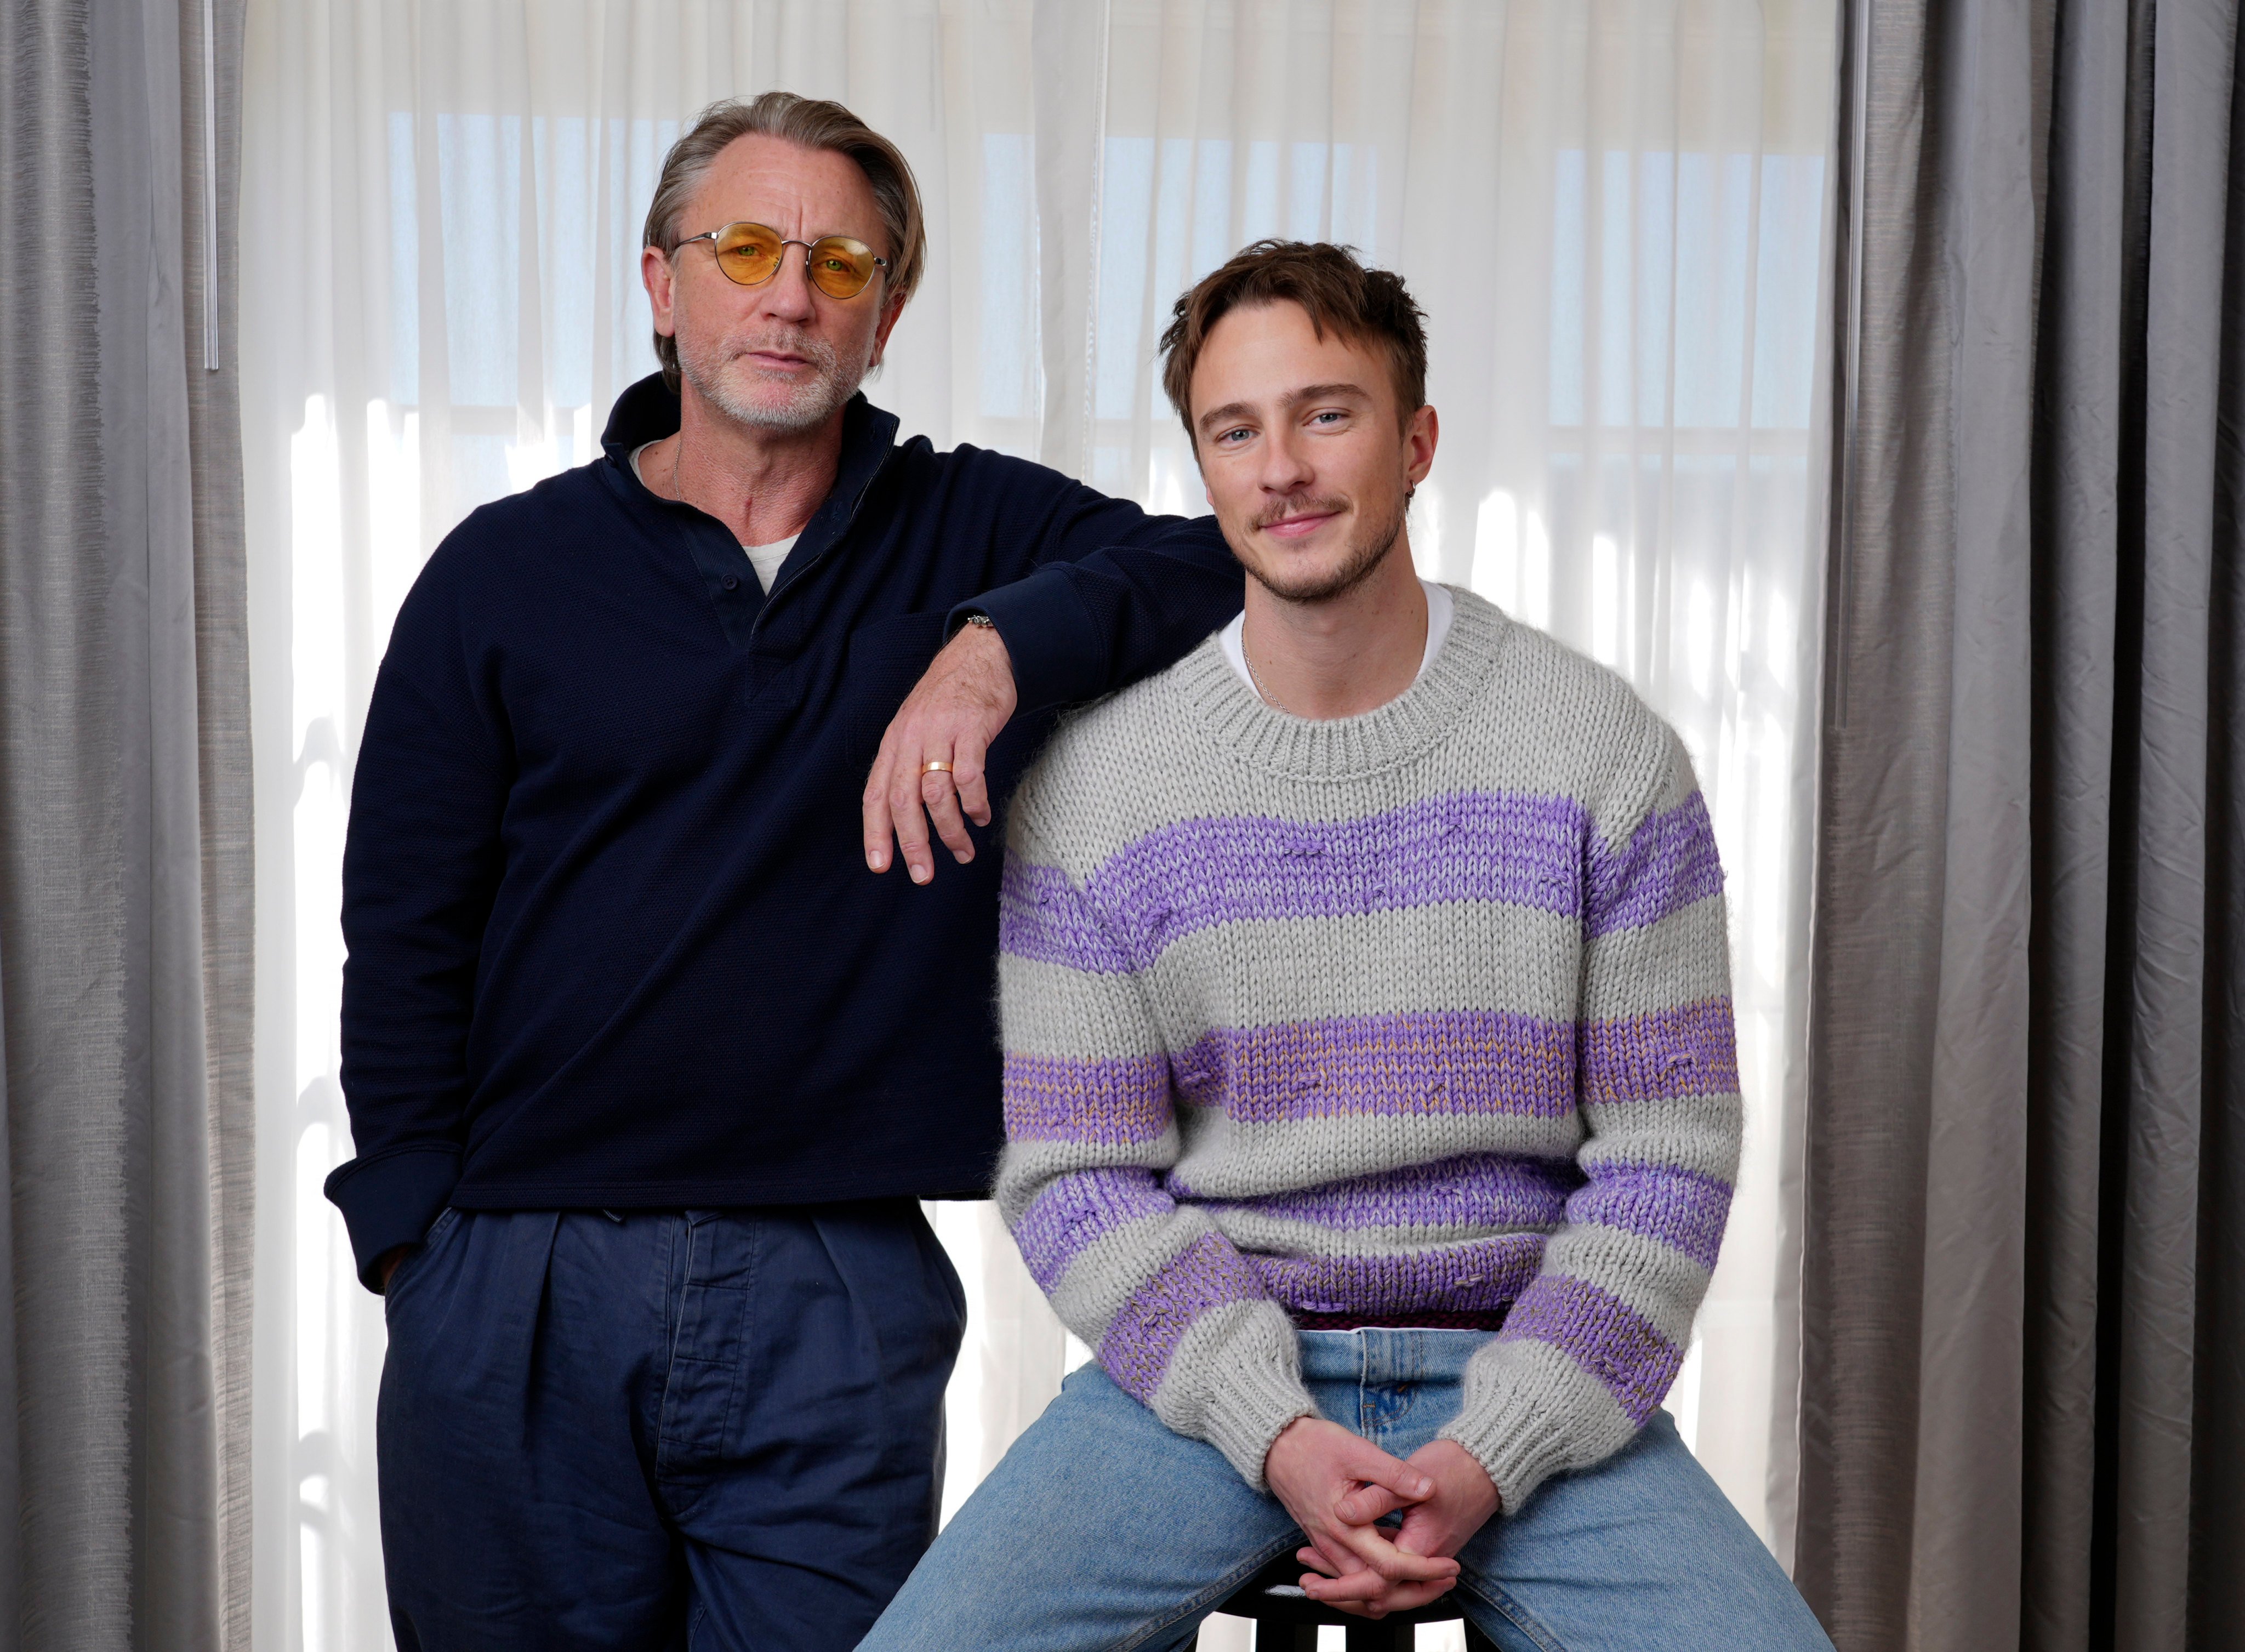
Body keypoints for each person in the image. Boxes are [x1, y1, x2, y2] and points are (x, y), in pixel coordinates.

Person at [327, 92, 1241, 1652]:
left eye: (840, 261)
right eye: (744, 245)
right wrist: (421, 1244)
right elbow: (404, 925)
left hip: (837, 1268)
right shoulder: (502, 568)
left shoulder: (971, 523)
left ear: (885, 315)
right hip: (520, 1267)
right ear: (660, 282)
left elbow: (1213, 556)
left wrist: (990, 645)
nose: (789, 291)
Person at [859, 241, 1835, 1651]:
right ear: (1201, 466)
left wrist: (1494, 1450)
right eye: (1234, 429)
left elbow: (1667, 1154)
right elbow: (1079, 1172)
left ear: (1416, 440)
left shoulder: (1600, 755)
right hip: (1202, 1380)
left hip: (1527, 1359)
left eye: (1328, 413)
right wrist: (1275, 1429)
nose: (1283, 469)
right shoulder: (1100, 789)